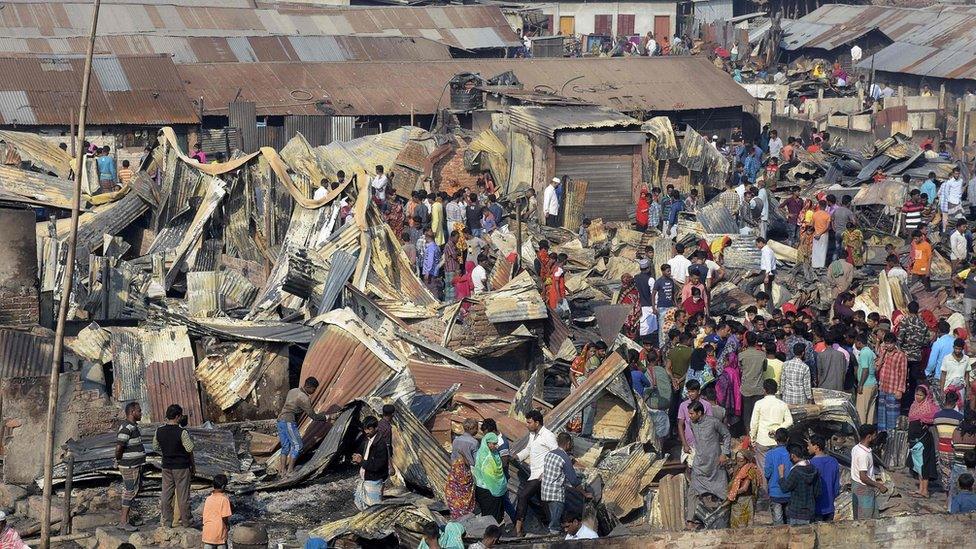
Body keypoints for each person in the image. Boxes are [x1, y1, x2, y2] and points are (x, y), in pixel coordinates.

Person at [685, 401, 731, 530]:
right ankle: (690, 521)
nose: (689, 416)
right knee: (693, 491)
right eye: (689, 413)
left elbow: (726, 434)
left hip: (715, 465)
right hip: (699, 464)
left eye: (692, 413)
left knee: (723, 493)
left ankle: (725, 521)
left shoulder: (714, 422)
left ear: (700, 413)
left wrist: (725, 453)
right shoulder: (691, 423)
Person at [514, 409, 558, 537]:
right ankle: (552, 525)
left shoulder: (548, 436)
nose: (527, 425)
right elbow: (528, 449)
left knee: (523, 496)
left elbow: (556, 454)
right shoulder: (533, 435)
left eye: (529, 422)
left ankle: (518, 530)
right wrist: (515, 457)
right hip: (534, 474)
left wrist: (546, 473)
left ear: (537, 423)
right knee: (543, 502)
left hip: (541, 475)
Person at [277, 378, 332, 477]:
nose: (314, 391)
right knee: (298, 446)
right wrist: (327, 417)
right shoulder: (304, 398)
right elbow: (313, 416)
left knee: (285, 446)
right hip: (289, 421)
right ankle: (290, 471)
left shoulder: (293, 391)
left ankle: (282, 471)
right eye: (314, 389)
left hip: (280, 420)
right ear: (308, 387)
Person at [153, 404, 194, 528]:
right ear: (177, 416)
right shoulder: (182, 432)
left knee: (166, 495)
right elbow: (190, 448)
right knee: (183, 496)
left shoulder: (159, 430)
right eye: (180, 416)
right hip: (181, 467)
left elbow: (155, 447)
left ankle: (167, 522)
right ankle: (186, 521)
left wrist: (167, 452)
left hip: (166, 466)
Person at [541, 432, 586, 535]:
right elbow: (574, 480)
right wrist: (584, 493)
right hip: (556, 495)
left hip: (544, 493)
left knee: (553, 521)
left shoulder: (549, 454)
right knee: (555, 526)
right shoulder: (564, 458)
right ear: (568, 443)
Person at [750, 379, 793, 471]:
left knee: (763, 469)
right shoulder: (782, 404)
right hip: (778, 440)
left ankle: (765, 485)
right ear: (776, 390)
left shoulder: (759, 403)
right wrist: (777, 429)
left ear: (764, 390)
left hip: (762, 440)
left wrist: (753, 439)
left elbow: (754, 423)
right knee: (778, 467)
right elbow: (789, 421)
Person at [116, 401, 145, 530]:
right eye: (139, 411)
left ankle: (126, 519)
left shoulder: (132, 426)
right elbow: (119, 447)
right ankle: (123, 522)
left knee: (131, 491)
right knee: (129, 492)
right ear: (132, 412)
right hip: (129, 466)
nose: (141, 413)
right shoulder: (127, 427)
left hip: (133, 465)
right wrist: (118, 459)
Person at [907, 385, 939, 498]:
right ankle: (920, 489)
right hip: (914, 440)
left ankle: (925, 490)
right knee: (917, 464)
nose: (918, 397)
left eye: (921, 395)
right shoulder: (913, 406)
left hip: (923, 440)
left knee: (924, 464)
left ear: (926, 396)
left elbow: (935, 418)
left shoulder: (931, 407)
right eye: (916, 394)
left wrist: (927, 422)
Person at [852, 424, 888, 519]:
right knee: (867, 519)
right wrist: (879, 485)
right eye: (874, 435)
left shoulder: (856, 448)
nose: (876, 438)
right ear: (869, 437)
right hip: (864, 488)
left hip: (856, 485)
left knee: (861, 516)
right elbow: (863, 477)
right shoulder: (863, 455)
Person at [780, 444, 821, 526]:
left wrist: (781, 475)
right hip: (810, 511)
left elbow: (785, 488)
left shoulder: (795, 472)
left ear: (793, 456)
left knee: (796, 537)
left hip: (796, 511)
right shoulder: (814, 469)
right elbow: (817, 492)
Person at [446, 418, 479, 519]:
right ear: (472, 428)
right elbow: (475, 461)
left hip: (455, 471)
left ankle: (456, 514)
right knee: (466, 496)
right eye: (476, 428)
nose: (477, 430)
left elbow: (453, 457)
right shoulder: (474, 442)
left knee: (456, 494)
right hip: (467, 472)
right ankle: (465, 515)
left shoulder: (456, 440)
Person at [876, 333, 908, 431]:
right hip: (882, 387)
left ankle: (892, 437)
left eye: (890, 344)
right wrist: (882, 354)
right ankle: (882, 436)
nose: (888, 346)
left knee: (892, 415)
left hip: (893, 389)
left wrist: (900, 390)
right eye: (886, 343)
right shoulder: (882, 352)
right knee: (882, 414)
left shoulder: (901, 355)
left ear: (894, 343)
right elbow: (877, 367)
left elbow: (903, 374)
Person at [473, 432, 507, 523]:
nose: (496, 446)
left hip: (496, 488)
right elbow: (488, 475)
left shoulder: (495, 453)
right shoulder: (484, 456)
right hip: (486, 489)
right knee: (489, 515)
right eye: (494, 444)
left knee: (498, 514)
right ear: (487, 443)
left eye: (497, 443)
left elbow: (498, 470)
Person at [935, 392, 964, 492]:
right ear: (956, 402)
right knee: (956, 474)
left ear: (945, 400)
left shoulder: (937, 416)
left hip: (942, 448)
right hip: (954, 449)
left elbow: (937, 434)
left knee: (945, 474)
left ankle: (947, 500)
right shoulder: (960, 418)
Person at [677, 379, 712, 460]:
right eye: (689, 391)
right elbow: (680, 425)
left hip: (703, 444)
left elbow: (710, 425)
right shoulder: (683, 405)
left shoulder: (707, 405)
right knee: (689, 468)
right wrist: (685, 444)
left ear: (699, 391)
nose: (690, 394)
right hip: (689, 443)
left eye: (692, 391)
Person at [739, 332, 768, 430]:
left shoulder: (741, 355)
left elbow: (740, 369)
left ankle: (748, 433)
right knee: (758, 413)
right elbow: (764, 368)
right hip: (759, 388)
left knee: (747, 413)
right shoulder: (762, 355)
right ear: (756, 341)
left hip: (746, 388)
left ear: (746, 340)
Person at [808, 434, 840, 522]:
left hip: (816, 507)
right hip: (830, 506)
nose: (807, 447)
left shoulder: (810, 464)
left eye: (809, 445)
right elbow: (836, 487)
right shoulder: (833, 461)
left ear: (816, 447)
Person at [764, 428, 792, 524]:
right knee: (790, 523)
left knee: (778, 526)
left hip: (775, 492)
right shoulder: (791, 454)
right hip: (790, 492)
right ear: (787, 439)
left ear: (775, 439)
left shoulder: (770, 454)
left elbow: (767, 473)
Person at [727, 448, 760, 528]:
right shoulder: (738, 469)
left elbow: (744, 488)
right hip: (737, 502)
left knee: (744, 526)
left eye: (741, 461)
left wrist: (732, 493)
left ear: (747, 460)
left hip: (746, 501)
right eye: (737, 461)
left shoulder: (750, 470)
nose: (739, 463)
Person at [202, 474, 232, 549]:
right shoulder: (224, 499)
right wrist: (227, 526)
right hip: (219, 533)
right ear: (223, 486)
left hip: (207, 532)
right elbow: (225, 517)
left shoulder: (208, 499)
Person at [854, 335, 878, 425]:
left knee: (861, 412)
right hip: (873, 384)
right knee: (870, 411)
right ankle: (869, 431)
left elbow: (865, 370)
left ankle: (862, 432)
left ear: (859, 343)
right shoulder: (870, 352)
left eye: (856, 343)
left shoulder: (864, 353)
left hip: (866, 385)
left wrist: (860, 385)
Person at [652, 264, 677, 346]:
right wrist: (653, 308)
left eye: (670, 271)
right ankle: (661, 345)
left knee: (670, 326)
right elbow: (653, 294)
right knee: (662, 328)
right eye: (667, 271)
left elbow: (673, 295)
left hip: (670, 307)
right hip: (662, 307)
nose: (669, 272)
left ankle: (669, 344)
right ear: (662, 271)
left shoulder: (671, 281)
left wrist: (676, 305)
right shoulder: (658, 282)